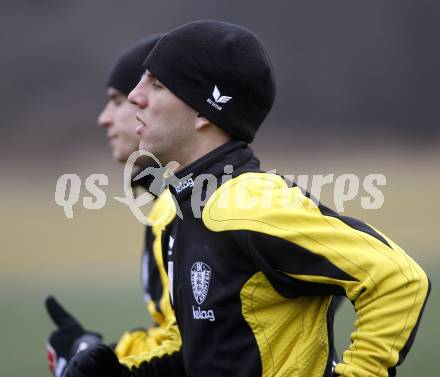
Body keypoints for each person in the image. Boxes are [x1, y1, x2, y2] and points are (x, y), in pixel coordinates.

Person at [62, 20, 430, 377]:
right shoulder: (193, 204)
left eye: (157, 84)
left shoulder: (246, 204)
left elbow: (397, 279)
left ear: (204, 110)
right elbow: (198, 351)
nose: (136, 96)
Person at [45, 34, 181, 377]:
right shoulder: (169, 202)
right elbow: (176, 341)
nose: (104, 118)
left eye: (117, 100)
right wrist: (93, 354)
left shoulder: (182, 208)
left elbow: (194, 354)